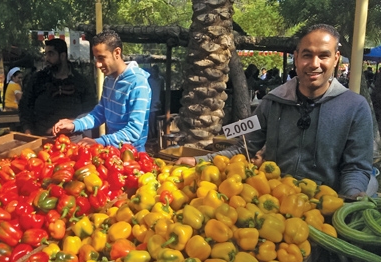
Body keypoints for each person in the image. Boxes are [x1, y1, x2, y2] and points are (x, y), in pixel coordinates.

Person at [176, 24, 375, 197]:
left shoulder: (355, 108)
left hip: (327, 212)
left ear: (336, 59)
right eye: (307, 55)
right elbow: (243, 149)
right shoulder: (271, 103)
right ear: (296, 58)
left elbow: (356, 167)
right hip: (276, 212)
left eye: (324, 55)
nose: (315, 64)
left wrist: (351, 196)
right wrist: (198, 160)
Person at [52, 30, 152, 152]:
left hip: (133, 156)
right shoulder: (109, 80)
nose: (98, 64)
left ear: (117, 52)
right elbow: (100, 113)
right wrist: (74, 125)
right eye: (96, 58)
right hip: (111, 152)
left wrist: (98, 142)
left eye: (101, 58)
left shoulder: (138, 83)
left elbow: (133, 131)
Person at [19, 38, 96, 137]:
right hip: (41, 139)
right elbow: (25, 107)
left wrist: (74, 123)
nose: (46, 58)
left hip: (74, 140)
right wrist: (28, 132)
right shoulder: (37, 80)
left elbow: (90, 112)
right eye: (46, 54)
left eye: (51, 54)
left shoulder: (81, 82)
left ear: (63, 56)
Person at [148, 64, 165, 140]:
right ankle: (152, 136)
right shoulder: (149, 80)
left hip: (158, 103)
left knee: (158, 121)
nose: (154, 73)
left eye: (155, 71)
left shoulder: (161, 80)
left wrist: (161, 101)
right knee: (151, 121)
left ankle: (157, 136)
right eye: (153, 71)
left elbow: (162, 91)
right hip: (150, 104)